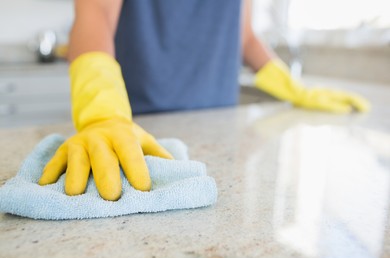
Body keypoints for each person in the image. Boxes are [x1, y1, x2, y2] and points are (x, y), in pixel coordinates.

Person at [38, 0, 370, 201]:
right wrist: (102, 112)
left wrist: (294, 89)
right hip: (139, 128)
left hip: (221, 124)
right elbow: (95, 14)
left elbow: (245, 36)